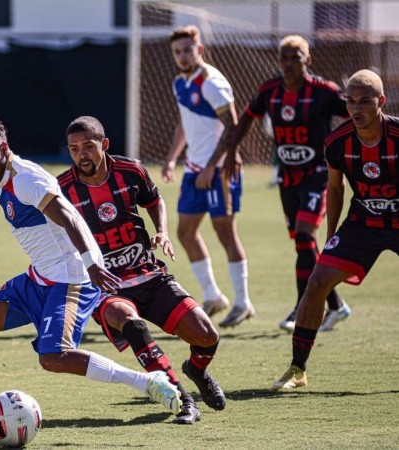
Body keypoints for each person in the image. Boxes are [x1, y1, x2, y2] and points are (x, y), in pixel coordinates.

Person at [0, 112, 182, 435]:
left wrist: (92, 263)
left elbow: (70, 217)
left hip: (73, 278)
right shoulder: (0, 175)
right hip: (41, 278)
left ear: (3, 148)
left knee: (53, 357)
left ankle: (148, 381)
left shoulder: (26, 179)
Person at [58, 116, 226, 423]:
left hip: (149, 275)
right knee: (131, 324)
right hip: (105, 286)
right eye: (74, 149)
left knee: (207, 336)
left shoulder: (130, 171)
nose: (81, 155)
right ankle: (180, 398)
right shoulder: (63, 189)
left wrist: (161, 230)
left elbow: (154, 199)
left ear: (104, 145)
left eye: (88, 147)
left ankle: (196, 371)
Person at [271, 69, 398, 390]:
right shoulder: (337, 143)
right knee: (317, 281)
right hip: (363, 222)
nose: (356, 109)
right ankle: (297, 370)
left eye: (365, 102)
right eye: (351, 102)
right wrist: (330, 239)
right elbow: (336, 189)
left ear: (381, 101)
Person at [225, 35, 351, 333]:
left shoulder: (324, 92)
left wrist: (349, 154)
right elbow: (245, 119)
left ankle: (302, 308)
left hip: (318, 176)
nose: (289, 63)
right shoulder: (269, 91)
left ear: (308, 60)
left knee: (305, 237)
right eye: (284, 57)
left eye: (296, 57)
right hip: (287, 179)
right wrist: (232, 151)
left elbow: (358, 116)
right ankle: (336, 305)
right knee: (302, 243)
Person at [161, 25, 254, 328]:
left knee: (225, 232)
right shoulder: (179, 83)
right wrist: (172, 158)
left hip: (220, 169)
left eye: (188, 49)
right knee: (185, 232)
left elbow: (234, 126)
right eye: (178, 51)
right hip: (194, 169)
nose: (183, 56)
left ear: (199, 50)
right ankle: (213, 295)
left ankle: (243, 302)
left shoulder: (212, 83)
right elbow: (183, 124)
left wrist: (214, 166)